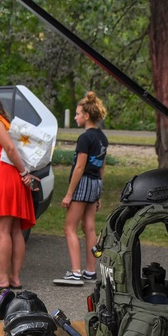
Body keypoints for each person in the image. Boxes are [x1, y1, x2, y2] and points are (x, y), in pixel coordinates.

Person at [54, 91, 108, 286]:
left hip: (83, 183)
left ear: (86, 116)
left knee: (70, 227)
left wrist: (69, 194)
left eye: (77, 114)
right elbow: (102, 166)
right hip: (95, 184)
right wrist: (98, 194)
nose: (76, 117)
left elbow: (79, 166)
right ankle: (90, 270)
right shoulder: (102, 138)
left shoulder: (85, 138)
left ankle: (76, 272)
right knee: (89, 227)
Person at [0, 95, 36, 290]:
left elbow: (10, 147)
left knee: (3, 230)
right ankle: (14, 277)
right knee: (16, 230)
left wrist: (24, 172)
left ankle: (3, 278)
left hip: (7, 178)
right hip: (15, 178)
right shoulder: (5, 121)